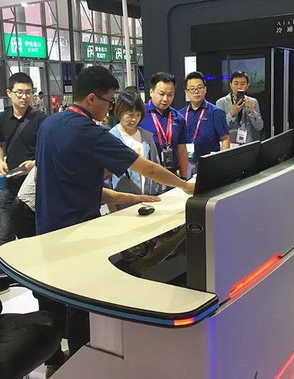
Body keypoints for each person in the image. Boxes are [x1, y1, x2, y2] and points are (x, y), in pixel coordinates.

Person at [35, 66, 194, 376]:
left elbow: (74, 184)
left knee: (50, 298)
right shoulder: (89, 132)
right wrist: (184, 185)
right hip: (78, 234)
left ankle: (53, 359)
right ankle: (84, 362)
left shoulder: (49, 124)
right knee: (82, 303)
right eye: (109, 102)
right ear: (92, 98)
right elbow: (146, 168)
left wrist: (131, 198)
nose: (110, 110)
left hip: (46, 229)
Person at [0, 73, 46, 250]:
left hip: (33, 187)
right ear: (9, 93)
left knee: (32, 237)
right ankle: (3, 267)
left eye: (28, 92)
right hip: (10, 184)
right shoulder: (2, 118)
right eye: (20, 92)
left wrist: (35, 163)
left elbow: (50, 150)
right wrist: (0, 161)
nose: (24, 97)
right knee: (5, 236)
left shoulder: (41, 119)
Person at [109, 89, 163, 202]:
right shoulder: (111, 137)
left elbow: (156, 165)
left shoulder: (147, 137)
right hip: (123, 201)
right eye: (130, 115)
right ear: (119, 112)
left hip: (149, 197)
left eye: (138, 114)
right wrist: (112, 205)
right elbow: (106, 177)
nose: (134, 119)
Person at [138, 72, 190, 178]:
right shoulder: (139, 115)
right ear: (151, 92)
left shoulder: (178, 118)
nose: (166, 99)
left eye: (170, 95)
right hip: (147, 175)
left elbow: (182, 150)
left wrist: (183, 178)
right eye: (161, 94)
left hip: (172, 174)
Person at [180, 71, 230, 175]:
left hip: (210, 164)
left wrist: (223, 164)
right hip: (186, 163)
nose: (196, 91)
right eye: (192, 89)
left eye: (199, 87)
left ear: (205, 89)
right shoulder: (180, 114)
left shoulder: (216, 112)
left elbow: (225, 139)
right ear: (186, 92)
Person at [216, 71, 264, 144]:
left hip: (248, 144)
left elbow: (259, 127)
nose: (239, 87)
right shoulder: (221, 102)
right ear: (231, 85)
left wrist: (252, 112)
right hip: (229, 144)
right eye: (236, 83)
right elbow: (219, 128)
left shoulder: (253, 102)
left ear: (247, 86)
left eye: (242, 84)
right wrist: (231, 113)